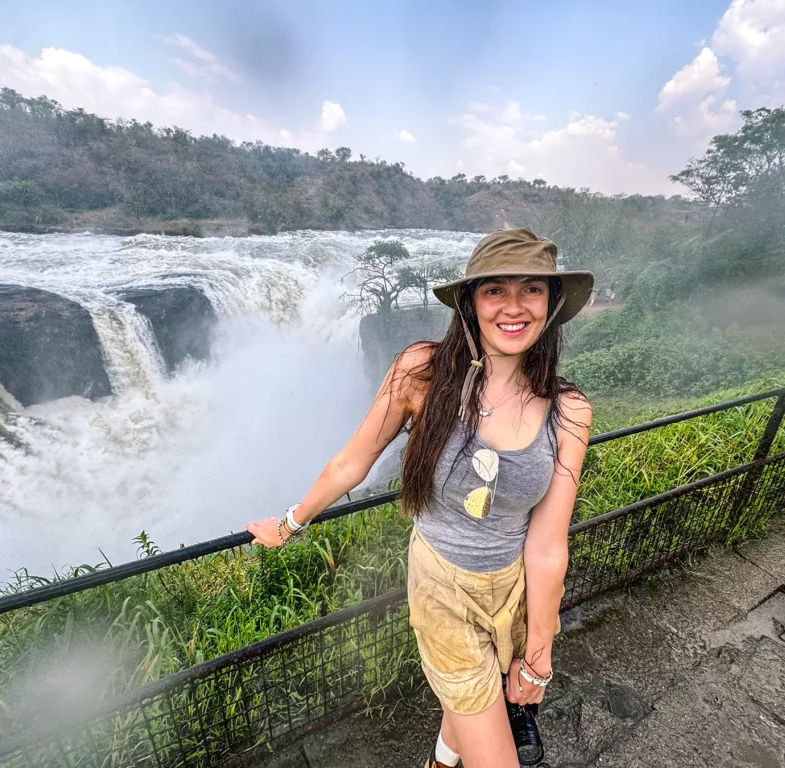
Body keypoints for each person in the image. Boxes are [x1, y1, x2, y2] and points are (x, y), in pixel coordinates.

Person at [247, 227, 593, 768]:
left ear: (551, 304)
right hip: (442, 589)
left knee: (467, 706)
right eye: (494, 290)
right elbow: (352, 461)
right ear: (470, 302)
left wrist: (539, 653)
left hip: (514, 593)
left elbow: (548, 546)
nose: (514, 306)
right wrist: (290, 524)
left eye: (531, 288)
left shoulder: (569, 410)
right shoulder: (421, 372)